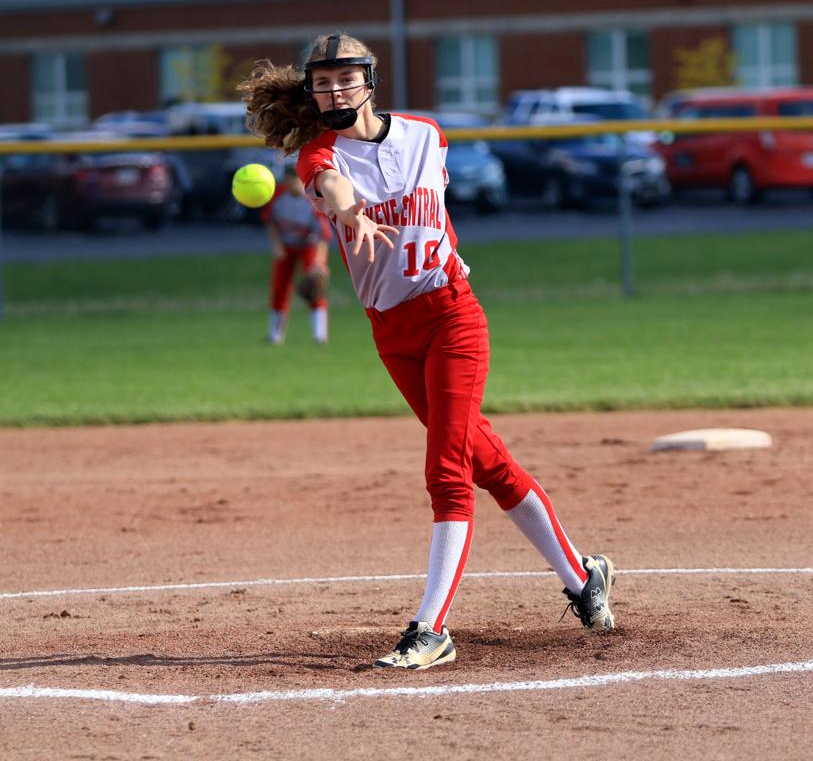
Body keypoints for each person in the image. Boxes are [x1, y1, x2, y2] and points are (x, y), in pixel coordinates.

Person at [239, 33, 616, 670]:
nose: (335, 90)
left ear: (369, 81)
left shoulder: (426, 134)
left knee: (447, 470)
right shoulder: (317, 156)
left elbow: (420, 196)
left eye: (346, 78)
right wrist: (351, 213)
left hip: (452, 315)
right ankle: (585, 578)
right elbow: (330, 184)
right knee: (489, 464)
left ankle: (431, 628)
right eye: (322, 82)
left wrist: (375, 217)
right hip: (392, 332)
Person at [261, 162, 331, 345]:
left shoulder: (312, 199)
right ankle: (275, 335)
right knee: (279, 288)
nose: (294, 184)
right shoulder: (278, 195)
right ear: (286, 179)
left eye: (298, 179)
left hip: (309, 246)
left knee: (313, 287)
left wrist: (319, 263)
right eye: (291, 179)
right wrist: (276, 245)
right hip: (286, 246)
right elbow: (270, 222)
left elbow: (323, 236)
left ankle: (320, 335)